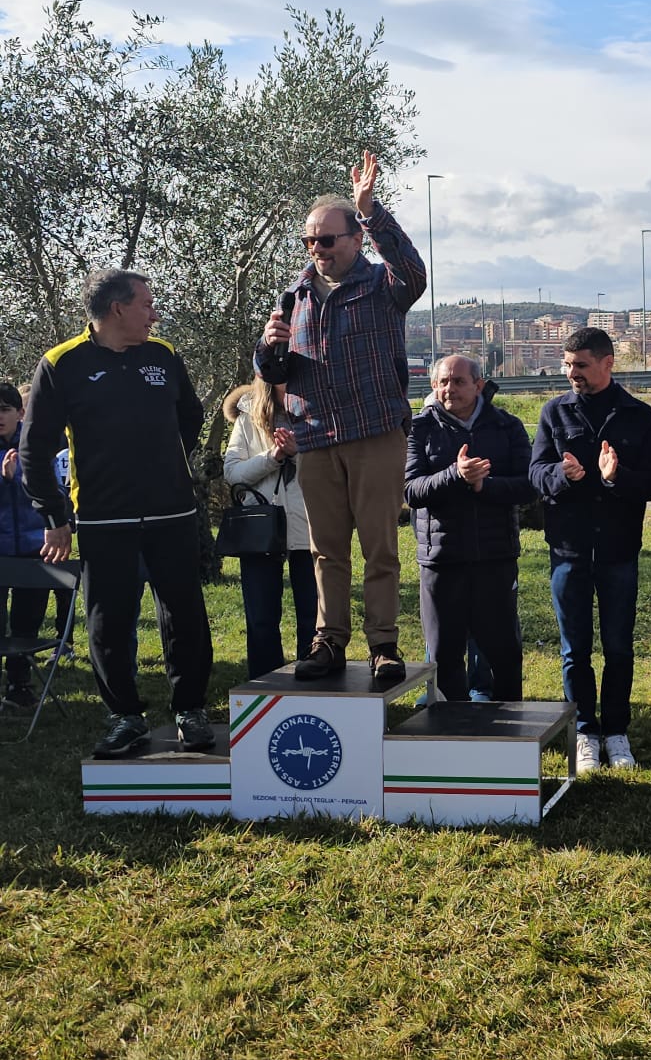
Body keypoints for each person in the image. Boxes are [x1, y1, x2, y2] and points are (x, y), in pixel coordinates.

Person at [19, 269, 215, 758]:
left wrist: (167, 461)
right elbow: (33, 450)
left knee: (185, 612)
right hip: (106, 517)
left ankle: (190, 709)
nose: (155, 313)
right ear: (117, 310)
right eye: (146, 304)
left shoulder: (163, 354)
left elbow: (191, 415)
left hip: (173, 511)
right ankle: (126, 717)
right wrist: (55, 517)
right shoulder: (60, 363)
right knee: (108, 619)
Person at [256, 150, 423, 682]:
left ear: (355, 239)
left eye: (327, 239)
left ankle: (383, 647)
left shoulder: (381, 285)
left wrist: (371, 210)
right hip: (315, 438)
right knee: (325, 551)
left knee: (379, 547)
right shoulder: (295, 295)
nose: (317, 249)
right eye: (309, 241)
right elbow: (276, 370)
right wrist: (266, 348)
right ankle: (328, 643)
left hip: (374, 433)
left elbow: (413, 273)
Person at [530, 328, 651, 770]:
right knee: (575, 649)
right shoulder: (554, 412)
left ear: (608, 363)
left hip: (618, 550)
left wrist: (612, 477)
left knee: (619, 646)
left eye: (580, 365)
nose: (572, 374)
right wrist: (561, 476)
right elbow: (536, 473)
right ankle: (585, 730)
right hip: (567, 551)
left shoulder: (638, 415)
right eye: (567, 365)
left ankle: (617, 731)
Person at [406, 355, 535, 702]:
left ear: (478, 385)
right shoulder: (419, 428)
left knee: (505, 655)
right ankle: (451, 736)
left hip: (495, 558)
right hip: (441, 561)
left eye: (458, 381)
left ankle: (510, 736)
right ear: (434, 386)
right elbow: (411, 490)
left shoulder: (508, 426)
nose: (450, 389)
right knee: (445, 657)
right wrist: (454, 476)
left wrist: (484, 486)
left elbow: (528, 485)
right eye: (443, 382)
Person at [223, 376, 317, 679]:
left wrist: (298, 451)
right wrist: (274, 457)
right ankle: (265, 686)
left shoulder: (322, 409)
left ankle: (315, 681)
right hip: (261, 528)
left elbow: (332, 469)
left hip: (312, 524)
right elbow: (233, 474)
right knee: (261, 617)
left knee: (313, 616)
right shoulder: (249, 415)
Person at [0, 382, 48, 711]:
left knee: (27, 624)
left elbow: (53, 492)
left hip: (35, 547)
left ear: (20, 413)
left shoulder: (37, 445)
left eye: (4, 410)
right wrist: (3, 479)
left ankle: (19, 686)